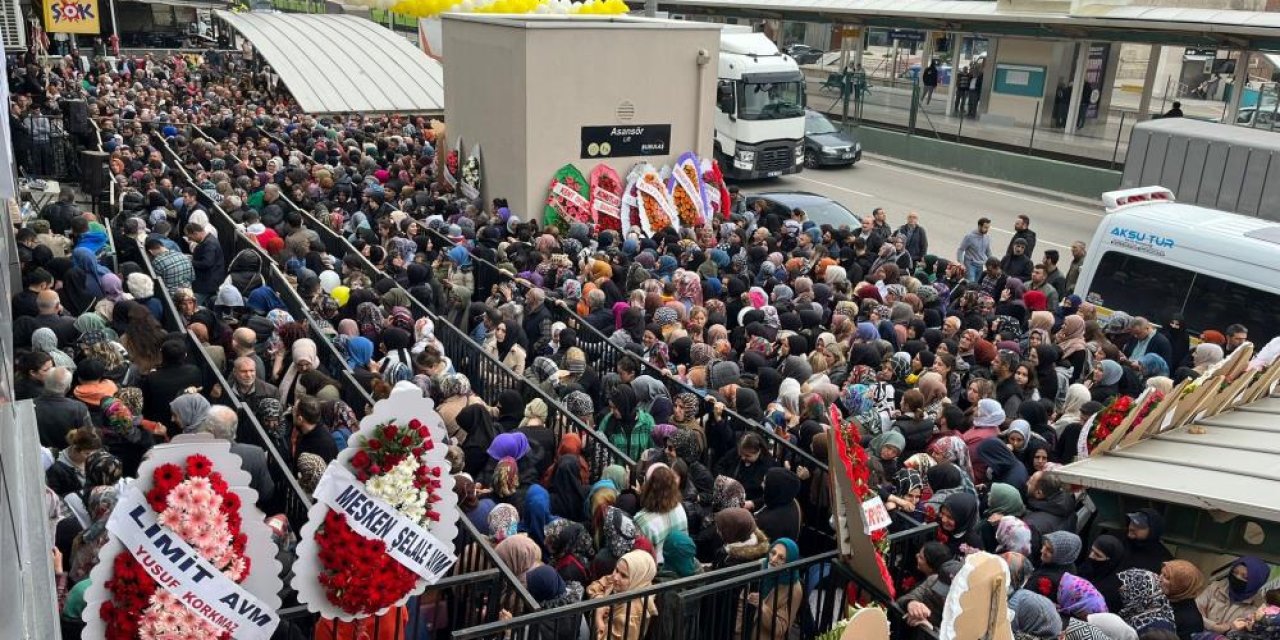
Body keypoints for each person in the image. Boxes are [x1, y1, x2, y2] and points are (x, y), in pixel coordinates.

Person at [1196, 556, 1272, 634]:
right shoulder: (1216, 587)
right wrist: (1216, 627)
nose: (1237, 577)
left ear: (1255, 582)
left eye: (1244, 577)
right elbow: (1194, 612)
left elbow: (1245, 634)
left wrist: (1229, 629)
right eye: (1235, 572)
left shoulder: (1259, 608)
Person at [957, 217, 994, 283]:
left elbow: (988, 251)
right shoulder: (969, 237)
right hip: (970, 265)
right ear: (979, 226)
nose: (987, 230)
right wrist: (961, 263)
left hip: (980, 265)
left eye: (988, 228)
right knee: (970, 283)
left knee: (976, 284)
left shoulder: (987, 237)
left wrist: (993, 261)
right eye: (985, 227)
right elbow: (960, 250)